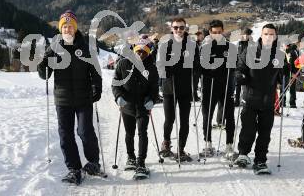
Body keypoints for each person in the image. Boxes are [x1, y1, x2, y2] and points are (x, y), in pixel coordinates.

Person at [37, 10, 102, 185]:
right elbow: (45, 74)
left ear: (75, 28)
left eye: (70, 26)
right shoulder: (54, 48)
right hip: (63, 99)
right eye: (64, 26)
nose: (67, 29)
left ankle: (94, 162)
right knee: (65, 135)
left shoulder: (85, 46)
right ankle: (74, 169)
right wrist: (43, 62)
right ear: (60, 29)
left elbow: (95, 71)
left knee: (84, 131)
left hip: (83, 98)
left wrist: (97, 88)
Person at [234, 23, 286, 174]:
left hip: (268, 100)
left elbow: (283, 76)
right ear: (261, 35)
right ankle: (243, 154)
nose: (269, 37)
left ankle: (260, 160)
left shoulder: (279, 54)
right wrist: (240, 76)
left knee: (265, 133)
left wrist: (286, 71)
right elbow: (240, 68)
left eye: (272, 34)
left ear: (275, 37)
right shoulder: (250, 51)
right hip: (250, 98)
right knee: (248, 129)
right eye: (266, 34)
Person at [112, 36, 159, 177]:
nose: (140, 54)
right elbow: (116, 84)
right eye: (138, 51)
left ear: (148, 52)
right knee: (129, 133)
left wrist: (152, 99)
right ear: (133, 50)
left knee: (142, 133)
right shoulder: (123, 64)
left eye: (144, 52)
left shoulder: (152, 68)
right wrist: (118, 96)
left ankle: (141, 163)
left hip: (143, 106)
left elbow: (154, 88)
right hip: (127, 105)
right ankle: (131, 157)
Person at [158, 17, 200, 161]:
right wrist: (165, 70)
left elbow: (197, 63)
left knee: (184, 121)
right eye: (175, 27)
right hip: (169, 88)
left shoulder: (192, 45)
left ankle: (181, 150)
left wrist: (195, 71)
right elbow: (159, 64)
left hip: (185, 88)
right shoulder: (165, 44)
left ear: (185, 28)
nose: (178, 30)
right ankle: (166, 143)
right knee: (170, 119)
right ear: (171, 28)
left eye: (181, 27)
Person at [200, 20, 236, 158]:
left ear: (223, 31)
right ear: (210, 32)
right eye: (214, 33)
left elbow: (236, 65)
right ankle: (208, 143)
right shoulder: (205, 47)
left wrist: (232, 67)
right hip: (210, 86)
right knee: (207, 115)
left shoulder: (230, 47)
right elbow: (200, 67)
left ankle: (229, 145)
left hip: (226, 85)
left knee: (229, 116)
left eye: (219, 32)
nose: (217, 35)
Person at [285, 43, 299, 108]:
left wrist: (294, 72)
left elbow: (293, 63)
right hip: (291, 73)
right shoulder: (293, 52)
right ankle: (291, 102)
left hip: (292, 73)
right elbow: (291, 63)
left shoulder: (292, 52)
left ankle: (291, 102)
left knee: (290, 88)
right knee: (289, 88)